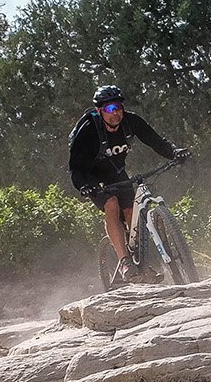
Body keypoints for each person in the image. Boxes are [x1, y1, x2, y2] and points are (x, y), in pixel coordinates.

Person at [69, 84, 188, 282]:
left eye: (118, 107)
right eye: (109, 109)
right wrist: (84, 185)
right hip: (90, 176)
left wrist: (174, 152)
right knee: (111, 204)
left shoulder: (131, 121)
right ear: (99, 111)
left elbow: (156, 141)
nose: (116, 112)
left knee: (132, 212)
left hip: (115, 173)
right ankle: (125, 261)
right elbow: (74, 167)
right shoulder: (89, 130)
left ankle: (141, 262)